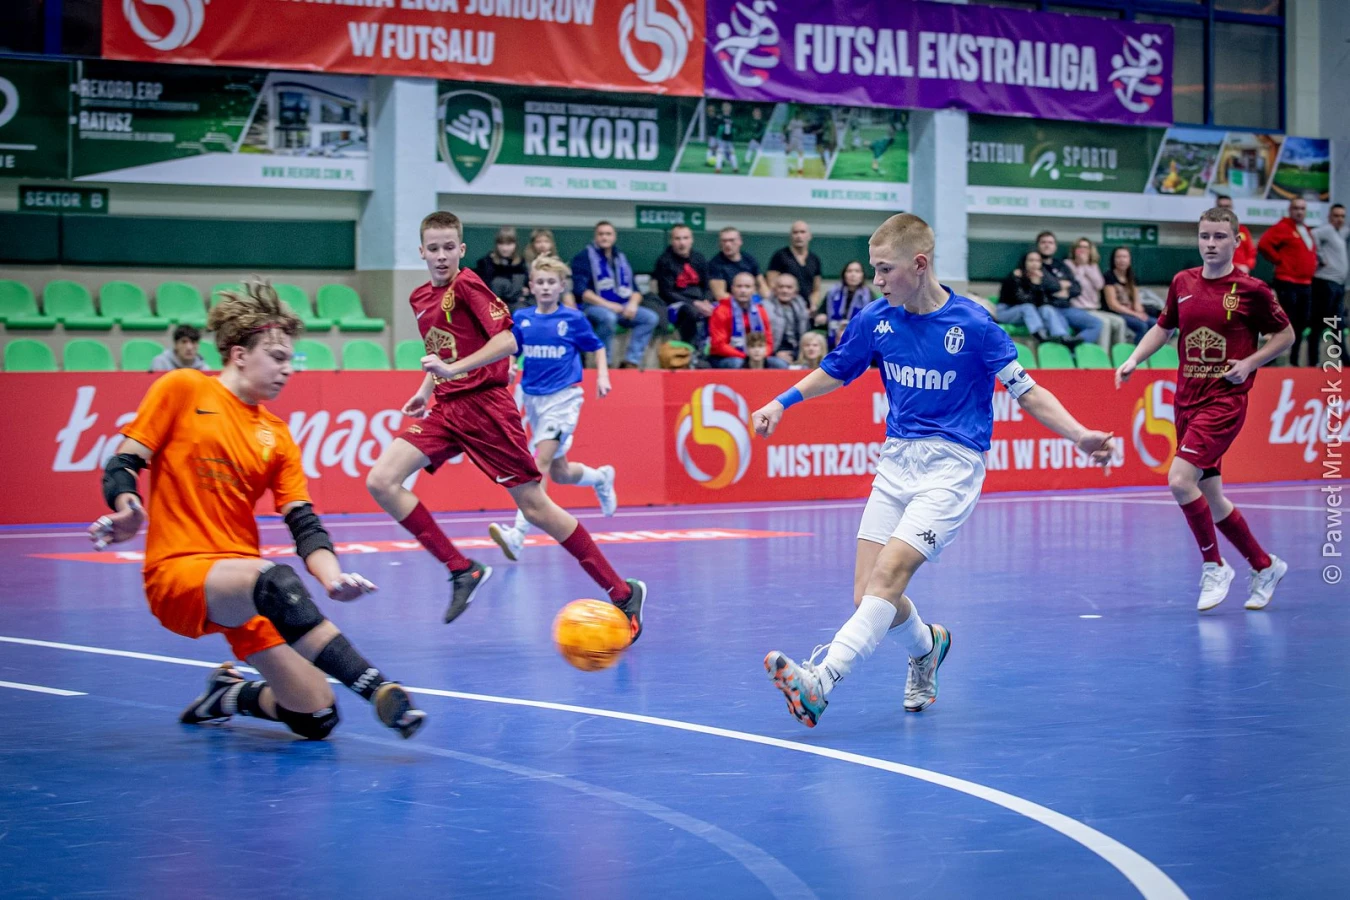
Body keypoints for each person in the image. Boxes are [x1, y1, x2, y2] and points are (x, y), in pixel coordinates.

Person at [756, 214, 1114, 727]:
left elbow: (1027, 391)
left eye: (885, 269)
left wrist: (1079, 434)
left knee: (887, 579)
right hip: (896, 461)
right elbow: (836, 369)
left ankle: (821, 681)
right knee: (867, 596)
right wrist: (780, 401)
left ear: (919, 264)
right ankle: (927, 647)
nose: (877, 280)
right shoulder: (876, 318)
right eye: (875, 269)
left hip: (952, 468)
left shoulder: (974, 325)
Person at [87, 282, 425, 741]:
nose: (289, 369)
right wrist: (127, 508)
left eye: (291, 359)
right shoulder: (183, 387)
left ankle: (228, 695)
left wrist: (332, 578)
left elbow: (304, 524)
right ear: (240, 354)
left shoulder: (277, 436)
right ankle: (378, 688)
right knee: (277, 582)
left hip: (246, 587)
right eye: (277, 357)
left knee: (316, 716)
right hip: (180, 574)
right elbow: (124, 462)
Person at [365, 212, 648, 641]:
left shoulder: (468, 284)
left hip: (487, 409)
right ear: (421, 251)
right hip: (446, 408)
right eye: (433, 248)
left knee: (535, 507)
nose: (441, 256)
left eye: (449, 247)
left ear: (461, 250)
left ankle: (622, 591)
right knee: (382, 481)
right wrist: (426, 389)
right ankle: (462, 569)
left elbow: (508, 341)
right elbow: (441, 351)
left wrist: (453, 370)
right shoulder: (419, 297)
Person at [1116, 207, 1293, 612]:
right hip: (1186, 400)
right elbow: (1164, 328)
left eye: (1219, 236)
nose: (1210, 244)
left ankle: (1214, 566)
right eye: (1205, 236)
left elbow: (1285, 335)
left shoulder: (1252, 290)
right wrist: (1134, 359)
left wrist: (1250, 363)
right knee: (1212, 496)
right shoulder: (1183, 281)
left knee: (1180, 481)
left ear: (1236, 241)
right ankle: (1264, 566)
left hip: (1224, 401)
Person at [488, 255, 618, 561]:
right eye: (540, 282)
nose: (546, 287)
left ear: (561, 286)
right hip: (534, 399)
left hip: (563, 400)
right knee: (560, 472)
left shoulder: (572, 319)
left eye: (551, 282)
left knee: (539, 462)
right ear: (532, 286)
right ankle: (601, 478)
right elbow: (513, 348)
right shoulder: (522, 318)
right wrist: (510, 365)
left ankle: (517, 535)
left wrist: (602, 375)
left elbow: (597, 347)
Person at [570, 221, 659, 369]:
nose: (604, 237)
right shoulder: (584, 257)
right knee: (608, 317)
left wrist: (632, 304)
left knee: (650, 318)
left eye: (608, 234)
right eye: (601, 234)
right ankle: (605, 362)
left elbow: (636, 290)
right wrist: (609, 305)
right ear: (595, 236)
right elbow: (582, 292)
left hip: (622, 306)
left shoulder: (620, 258)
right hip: (594, 307)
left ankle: (631, 361)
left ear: (614, 236)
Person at [1258, 198, 1318, 365]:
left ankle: (1294, 359)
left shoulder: (1306, 230)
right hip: (1287, 281)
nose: (1299, 211)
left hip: (1305, 283)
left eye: (1302, 208)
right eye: (1296, 208)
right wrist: (1280, 261)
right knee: (1285, 322)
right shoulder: (1283, 227)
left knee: (1301, 323)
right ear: (1290, 210)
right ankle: (1272, 359)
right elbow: (1263, 244)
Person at [709, 272, 787, 369]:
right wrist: (746, 356)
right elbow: (718, 345)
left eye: (747, 287)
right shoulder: (721, 310)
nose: (743, 290)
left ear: (754, 290)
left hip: (756, 355)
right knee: (738, 364)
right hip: (727, 357)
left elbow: (768, 340)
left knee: (781, 365)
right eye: (739, 286)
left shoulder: (760, 310)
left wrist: (761, 354)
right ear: (732, 288)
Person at [1036, 231, 1102, 345]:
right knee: (1064, 331)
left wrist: (1063, 290)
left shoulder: (1061, 265)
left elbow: (1076, 288)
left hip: (1066, 308)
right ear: (1038, 245)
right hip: (1049, 307)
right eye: (1043, 242)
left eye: (1050, 242)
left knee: (1096, 324)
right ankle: (1068, 349)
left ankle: (1075, 347)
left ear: (1055, 246)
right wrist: (1061, 286)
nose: (1047, 245)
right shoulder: (1033, 262)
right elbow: (1043, 286)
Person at [655, 224, 714, 348]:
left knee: (722, 309)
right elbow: (667, 292)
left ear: (691, 240)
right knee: (691, 311)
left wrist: (706, 301)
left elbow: (707, 285)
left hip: (700, 300)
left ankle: (713, 350)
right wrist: (695, 303)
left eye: (685, 238)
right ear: (671, 241)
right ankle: (690, 348)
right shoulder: (664, 261)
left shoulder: (699, 258)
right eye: (677, 239)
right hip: (675, 304)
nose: (682, 243)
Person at [996, 251, 1075, 343]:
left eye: (1038, 261)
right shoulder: (1015, 277)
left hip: (1028, 314)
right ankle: (1040, 335)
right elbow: (1022, 300)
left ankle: (1062, 336)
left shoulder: (1039, 277)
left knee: (1047, 308)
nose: (1034, 264)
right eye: (1031, 260)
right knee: (1027, 307)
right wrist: (1035, 285)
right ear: (1024, 262)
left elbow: (1043, 302)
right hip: (1006, 312)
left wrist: (1038, 285)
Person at [1065, 237, 1128, 350]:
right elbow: (1076, 283)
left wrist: (1085, 266)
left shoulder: (1093, 266)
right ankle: (1103, 355)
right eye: (1080, 247)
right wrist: (1080, 265)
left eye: (1086, 248)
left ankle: (1118, 355)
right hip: (1079, 308)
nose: (1083, 250)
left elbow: (1099, 284)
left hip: (1094, 308)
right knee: (1105, 323)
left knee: (1120, 322)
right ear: (1074, 250)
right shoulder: (1069, 264)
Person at [1312, 203, 1348, 362]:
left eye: (1342, 216)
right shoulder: (1326, 230)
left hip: (1338, 283)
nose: (1339, 219)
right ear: (1329, 217)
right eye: (1336, 216)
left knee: (1338, 322)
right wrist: (1320, 256)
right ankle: (1313, 359)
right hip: (1325, 282)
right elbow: (1312, 234)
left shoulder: (1341, 233)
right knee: (1320, 322)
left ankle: (1344, 358)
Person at [1103, 246, 1158, 343]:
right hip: (1117, 312)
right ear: (1113, 260)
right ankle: (1137, 351)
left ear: (1129, 260)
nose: (1122, 260)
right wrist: (1135, 314)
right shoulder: (1109, 276)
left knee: (1156, 324)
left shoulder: (1132, 277)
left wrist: (1140, 312)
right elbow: (1113, 305)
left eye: (1125, 257)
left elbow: (1136, 301)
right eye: (1118, 257)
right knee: (1141, 326)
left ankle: (1153, 350)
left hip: (1131, 311)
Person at [768, 221, 823, 312]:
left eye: (802, 232)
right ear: (790, 236)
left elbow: (816, 289)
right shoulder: (780, 256)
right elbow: (772, 285)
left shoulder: (815, 259)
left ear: (809, 236)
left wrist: (812, 305)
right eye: (795, 232)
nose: (799, 236)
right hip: (783, 310)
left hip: (806, 310)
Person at [817, 261, 873, 348]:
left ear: (862, 275)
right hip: (833, 336)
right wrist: (821, 316)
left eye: (857, 271)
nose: (853, 275)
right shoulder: (833, 293)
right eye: (849, 271)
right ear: (844, 274)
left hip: (858, 338)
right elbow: (821, 311)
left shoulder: (868, 295)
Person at [474, 226, 529, 310]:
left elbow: (527, 286)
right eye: (501, 244)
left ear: (515, 244)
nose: (505, 248)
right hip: (492, 306)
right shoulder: (486, 262)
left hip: (516, 306)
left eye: (509, 244)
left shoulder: (521, 263)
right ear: (496, 245)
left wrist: (526, 292)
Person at [707, 227, 770, 301]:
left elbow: (762, 285)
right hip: (728, 304)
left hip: (752, 301)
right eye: (724, 241)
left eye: (731, 240)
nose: (727, 244)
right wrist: (744, 302)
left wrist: (766, 300)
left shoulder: (749, 259)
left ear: (740, 241)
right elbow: (720, 295)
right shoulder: (715, 264)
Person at [762, 272, 811, 365]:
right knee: (780, 364)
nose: (785, 290)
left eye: (789, 287)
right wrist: (775, 353)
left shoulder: (802, 306)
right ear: (774, 290)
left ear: (795, 291)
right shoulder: (764, 307)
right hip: (774, 352)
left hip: (798, 351)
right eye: (781, 287)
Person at [1214, 194, 1257, 274]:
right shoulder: (1211, 230)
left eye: (1227, 206)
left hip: (1241, 273)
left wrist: (1247, 266)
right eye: (1221, 207)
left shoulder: (1242, 230)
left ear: (1232, 208)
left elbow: (1251, 252)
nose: (1224, 210)